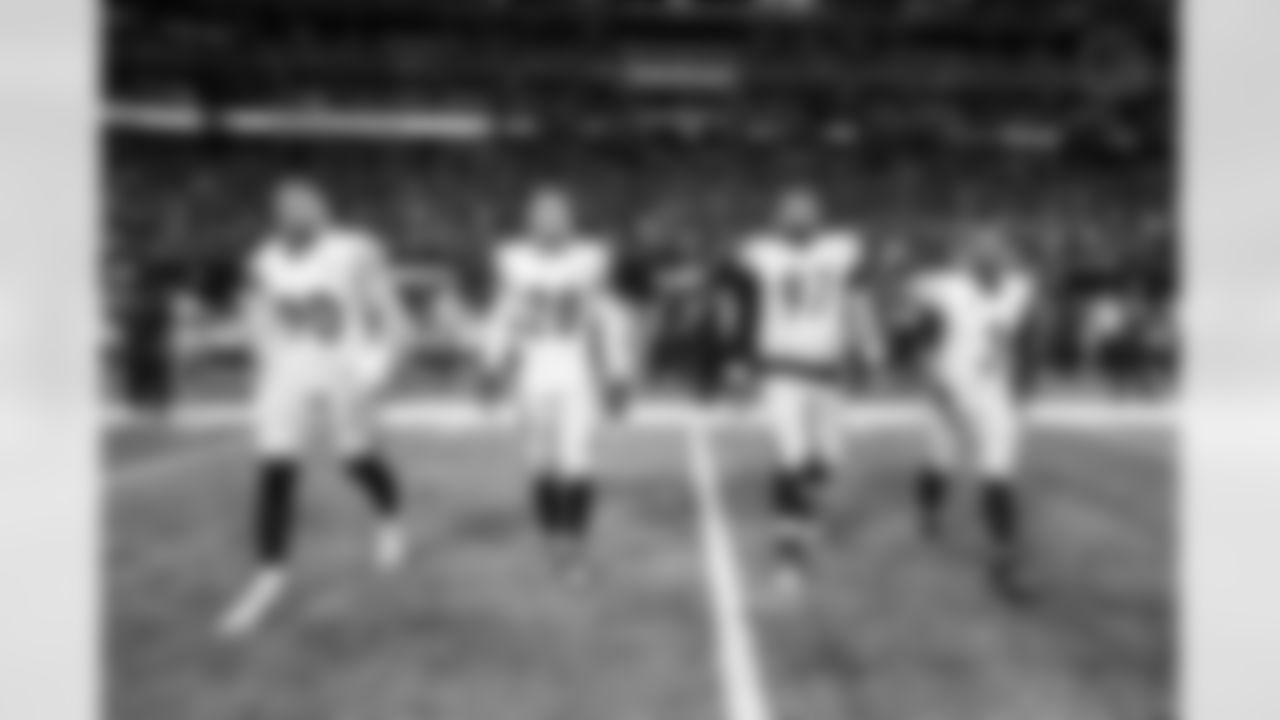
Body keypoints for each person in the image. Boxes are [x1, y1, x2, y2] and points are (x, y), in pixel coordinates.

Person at [219, 178, 412, 638]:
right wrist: (264, 366)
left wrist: (383, 370)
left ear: (323, 210)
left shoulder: (354, 250)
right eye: (287, 207)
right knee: (275, 469)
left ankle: (390, 518)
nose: (297, 215)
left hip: (344, 368)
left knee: (356, 459)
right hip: (287, 372)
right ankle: (268, 578)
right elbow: (257, 318)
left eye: (306, 206)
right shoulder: (262, 259)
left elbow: (394, 317)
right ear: (276, 215)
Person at [480, 186, 632, 573]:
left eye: (557, 216)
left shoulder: (590, 259)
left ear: (570, 221)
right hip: (532, 370)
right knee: (539, 463)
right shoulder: (512, 259)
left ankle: (575, 544)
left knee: (578, 462)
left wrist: (618, 372)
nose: (549, 223)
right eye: (541, 216)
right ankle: (553, 538)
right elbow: (503, 315)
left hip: (575, 368)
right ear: (530, 222)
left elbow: (609, 317)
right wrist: (491, 365)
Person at [735, 185, 881, 572]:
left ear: (820, 216)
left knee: (828, 460)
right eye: (791, 211)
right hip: (781, 369)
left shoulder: (843, 250)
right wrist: (739, 360)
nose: (799, 218)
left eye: (806, 211)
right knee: (791, 456)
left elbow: (859, 300)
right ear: (778, 217)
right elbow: (741, 306)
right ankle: (789, 545)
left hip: (828, 370)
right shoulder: (759, 254)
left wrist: (871, 351)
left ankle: (803, 506)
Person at [903, 224, 1038, 598]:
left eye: (998, 255)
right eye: (983, 257)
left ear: (1007, 259)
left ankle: (1004, 564)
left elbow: (1024, 336)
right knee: (939, 462)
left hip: (993, 393)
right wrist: (930, 378)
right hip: (947, 388)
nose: (992, 263)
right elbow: (914, 337)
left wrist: (1025, 383)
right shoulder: (945, 290)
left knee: (998, 474)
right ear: (970, 261)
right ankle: (929, 510)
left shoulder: (1020, 287)